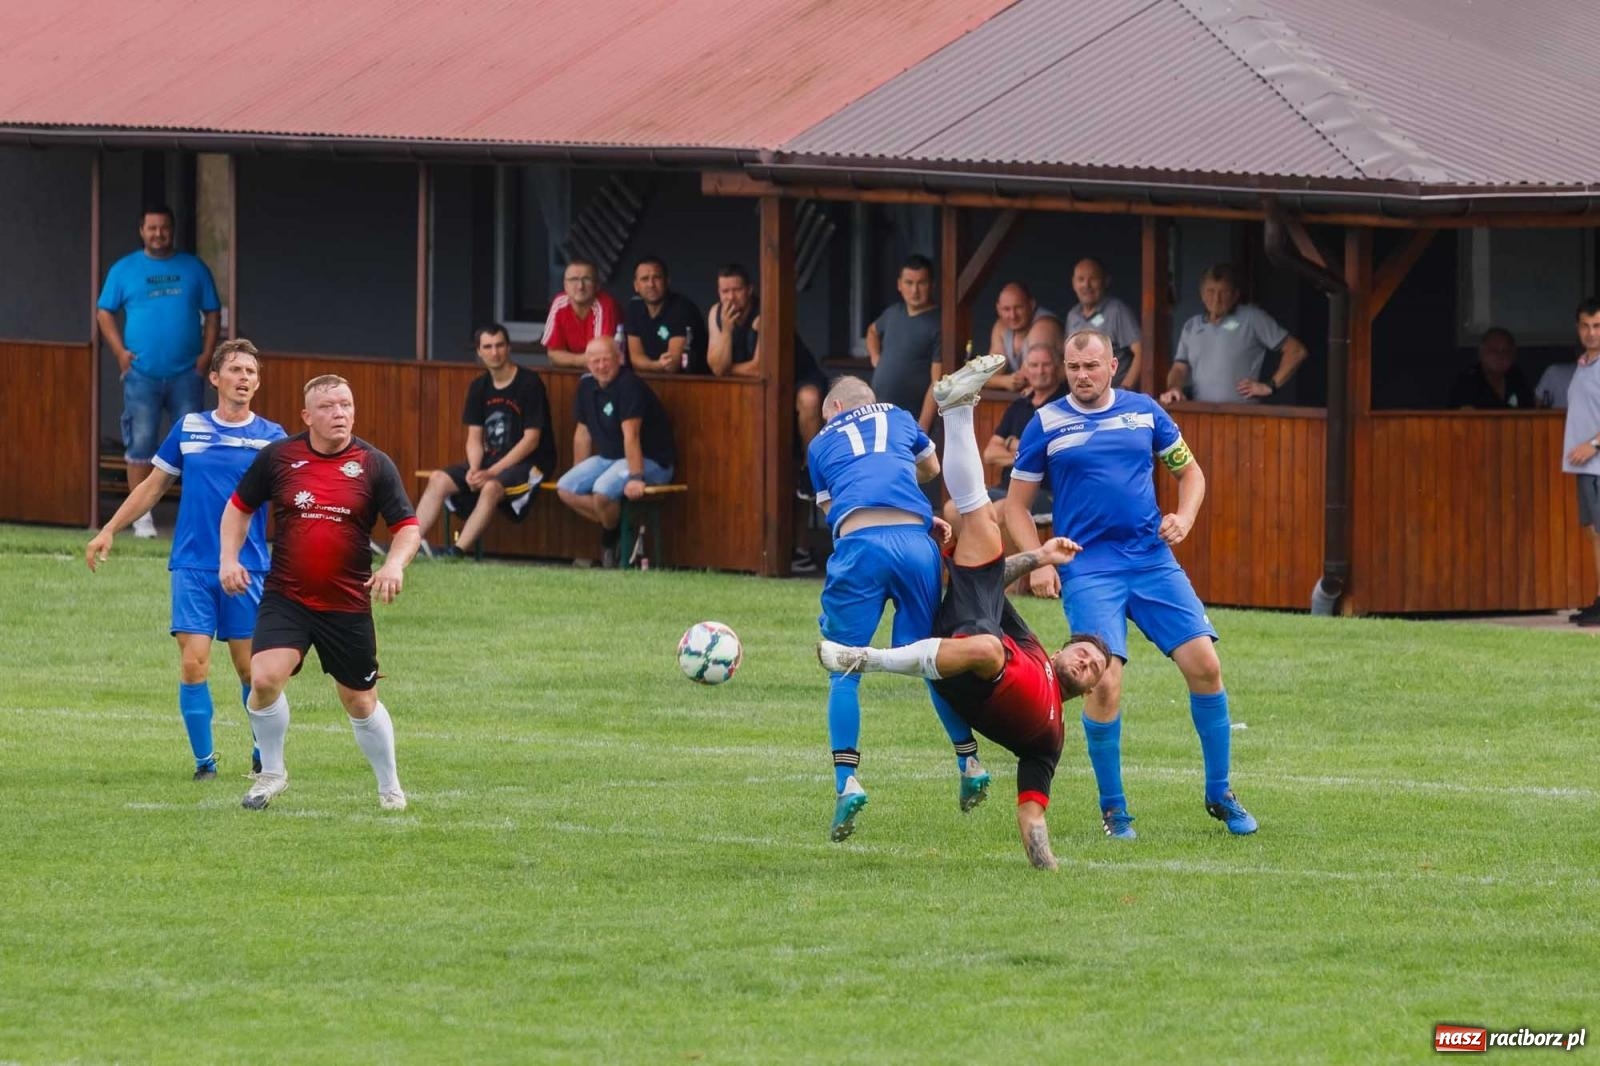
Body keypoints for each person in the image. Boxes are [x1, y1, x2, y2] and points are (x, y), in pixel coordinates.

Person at [817, 353, 1110, 870]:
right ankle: (956, 410)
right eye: (1086, 653)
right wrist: (1039, 556)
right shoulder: (1037, 649)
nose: (1086, 663)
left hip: (958, 642)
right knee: (981, 525)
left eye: (1092, 670)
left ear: (1086, 693)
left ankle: (852, 757)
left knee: (973, 649)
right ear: (1064, 647)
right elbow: (988, 572)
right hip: (924, 560)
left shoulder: (1050, 738)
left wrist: (1046, 865)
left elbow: (835, 507)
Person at [1004, 329, 1259, 839]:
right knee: (1103, 681)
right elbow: (1015, 505)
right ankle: (1115, 810)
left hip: (1150, 560)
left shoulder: (1145, 411)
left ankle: (1221, 792)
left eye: (1091, 366)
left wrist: (1184, 518)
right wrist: (1039, 561)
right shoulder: (1046, 422)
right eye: (1074, 368)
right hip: (1088, 568)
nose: (1082, 376)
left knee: (1206, 666)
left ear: (1112, 366)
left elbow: (1193, 476)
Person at [220, 374, 422, 811]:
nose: (340, 414)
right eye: (329, 407)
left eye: (346, 405)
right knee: (264, 678)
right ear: (307, 416)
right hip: (287, 595)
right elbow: (238, 508)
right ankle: (271, 774)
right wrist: (228, 559)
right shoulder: (279, 457)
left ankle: (389, 786)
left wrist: (393, 564)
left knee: (360, 702)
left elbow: (407, 526)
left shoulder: (374, 464)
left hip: (345, 604)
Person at [86, 339, 285, 779]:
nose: (244, 378)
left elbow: (292, 500)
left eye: (251, 371)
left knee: (251, 668)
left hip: (248, 567)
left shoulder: (272, 438)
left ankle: (262, 752)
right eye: (235, 370)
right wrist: (109, 530)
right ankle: (204, 764)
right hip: (194, 565)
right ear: (214, 379)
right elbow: (153, 487)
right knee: (194, 663)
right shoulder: (189, 427)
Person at [807, 376, 993, 841]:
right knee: (930, 659)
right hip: (914, 543)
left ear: (834, 406)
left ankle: (846, 783)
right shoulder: (901, 416)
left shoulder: (819, 443)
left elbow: (836, 507)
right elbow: (929, 467)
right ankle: (968, 760)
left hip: (860, 549)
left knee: (844, 667)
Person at [96, 204, 222, 538]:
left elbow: (212, 313)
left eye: (163, 228)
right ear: (142, 231)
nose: (158, 234)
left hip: (187, 375)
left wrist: (206, 357)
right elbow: (104, 312)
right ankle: (142, 519)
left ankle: (193, 518)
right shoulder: (124, 269)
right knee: (140, 445)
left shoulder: (194, 268)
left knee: (195, 447)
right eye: (152, 228)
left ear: (172, 230)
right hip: (141, 376)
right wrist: (120, 353)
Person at [414, 323, 556, 558]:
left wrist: (491, 473)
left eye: (499, 345)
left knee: (490, 488)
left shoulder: (530, 383)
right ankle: (407, 546)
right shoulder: (479, 386)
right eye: (488, 347)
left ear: (508, 348)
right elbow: (474, 438)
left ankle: (456, 553)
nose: (494, 352)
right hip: (491, 461)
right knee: (438, 478)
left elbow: (531, 441)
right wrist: (475, 468)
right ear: (479, 352)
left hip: (532, 464)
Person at [555, 337, 677, 568]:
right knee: (566, 488)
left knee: (602, 492)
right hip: (610, 458)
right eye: (595, 361)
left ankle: (610, 540)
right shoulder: (586, 385)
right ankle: (623, 530)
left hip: (651, 460)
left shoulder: (629, 385)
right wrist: (580, 471)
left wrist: (636, 478)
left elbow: (631, 435)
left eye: (606, 360)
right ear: (587, 364)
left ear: (619, 358)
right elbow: (582, 434)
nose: (601, 366)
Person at [940, 340, 1066, 551]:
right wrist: (1028, 455)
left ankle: (1007, 579)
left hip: (1042, 493)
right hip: (1005, 488)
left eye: (1046, 365)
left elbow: (1052, 456)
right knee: (953, 509)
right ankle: (989, 567)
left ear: (1058, 368)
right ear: (1025, 369)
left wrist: (1013, 449)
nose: (1040, 371)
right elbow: (990, 454)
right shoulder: (1019, 405)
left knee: (1001, 512)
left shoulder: (1062, 406)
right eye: (1034, 365)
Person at [705, 262, 828, 448]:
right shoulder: (716, 313)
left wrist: (726, 369)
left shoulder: (766, 313)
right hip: (758, 383)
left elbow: (761, 368)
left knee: (809, 400)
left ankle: (810, 468)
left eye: (737, 290)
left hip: (797, 374)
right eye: (725, 291)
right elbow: (716, 368)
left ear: (749, 290)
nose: (731, 297)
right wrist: (727, 332)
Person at [1161, 263, 1307, 405]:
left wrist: (1270, 386)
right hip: (1202, 416)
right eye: (1210, 291)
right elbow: (1179, 368)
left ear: (1235, 295)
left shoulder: (1252, 318)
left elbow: (1296, 351)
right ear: (1202, 294)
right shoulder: (1191, 326)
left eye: (1224, 292)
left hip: (1242, 417)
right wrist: (1174, 388)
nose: (1216, 299)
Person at [867, 255, 942, 430]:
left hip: (910, 421)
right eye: (909, 283)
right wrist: (875, 357)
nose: (915, 290)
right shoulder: (893, 313)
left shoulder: (940, 323)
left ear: (932, 285)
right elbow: (872, 331)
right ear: (899, 284)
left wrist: (921, 431)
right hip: (878, 414)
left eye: (921, 283)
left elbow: (937, 384)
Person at [1560, 300, 1600, 626]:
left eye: (1598, 326)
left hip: (1597, 464)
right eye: (1586, 326)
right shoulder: (1584, 364)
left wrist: (1594, 445)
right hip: (1583, 466)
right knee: (1593, 533)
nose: (1591, 332)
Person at [1065, 258, 1143, 389]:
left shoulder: (1117, 311)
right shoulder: (1072, 315)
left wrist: (1124, 389)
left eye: (1093, 279)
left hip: (1113, 399)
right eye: (1081, 279)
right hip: (1083, 397)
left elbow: (1141, 352)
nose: (1086, 285)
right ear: (1073, 283)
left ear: (1105, 281)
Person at [625, 256, 704, 374]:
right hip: (651, 379)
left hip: (688, 382)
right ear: (636, 286)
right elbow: (636, 359)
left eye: (656, 278)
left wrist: (652, 366)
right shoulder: (634, 307)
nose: (651, 284)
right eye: (645, 279)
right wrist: (655, 366)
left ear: (667, 281)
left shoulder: (682, 308)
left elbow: (673, 364)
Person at [541, 257, 623, 369]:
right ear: (565, 286)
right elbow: (553, 354)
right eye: (574, 279)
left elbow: (600, 358)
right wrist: (580, 360)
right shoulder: (559, 303)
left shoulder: (605, 305)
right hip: (573, 373)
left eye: (587, 279)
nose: (580, 286)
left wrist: (568, 358)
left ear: (597, 285)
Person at [988, 282, 1060, 391]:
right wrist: (1004, 381)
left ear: (1031, 304)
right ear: (998, 309)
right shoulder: (1000, 327)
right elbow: (986, 375)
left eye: (1018, 308)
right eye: (1006, 309)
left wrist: (999, 380)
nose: (1013, 316)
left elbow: (1025, 379)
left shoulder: (1044, 326)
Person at [1448, 327, 1534, 409]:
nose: (1500, 356)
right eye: (1494, 351)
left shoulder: (1516, 376)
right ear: (1481, 353)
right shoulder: (1468, 380)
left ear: (1513, 355)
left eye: (1505, 351)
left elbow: (1530, 410)